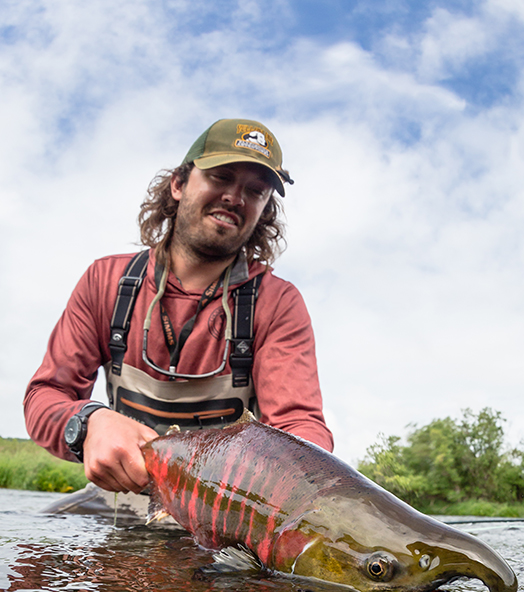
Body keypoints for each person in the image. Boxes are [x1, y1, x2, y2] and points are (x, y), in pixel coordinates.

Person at [24, 117, 333, 508]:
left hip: (222, 516)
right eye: (220, 176)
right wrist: (88, 423)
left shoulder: (278, 303)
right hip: (119, 504)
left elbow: (298, 426)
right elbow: (47, 394)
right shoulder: (106, 281)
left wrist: (309, 488)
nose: (235, 198)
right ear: (179, 184)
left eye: (255, 191)